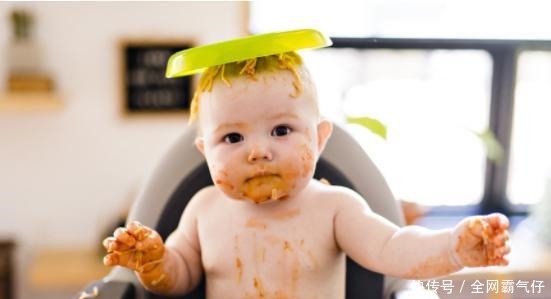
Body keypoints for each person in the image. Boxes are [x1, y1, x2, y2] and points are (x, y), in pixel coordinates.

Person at [102, 33, 510, 299]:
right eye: (232, 138)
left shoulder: (334, 208)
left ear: (319, 138)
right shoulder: (203, 211)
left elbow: (394, 250)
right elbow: (180, 276)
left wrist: (454, 248)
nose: (258, 151)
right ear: (204, 151)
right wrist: (154, 263)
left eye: (281, 130)